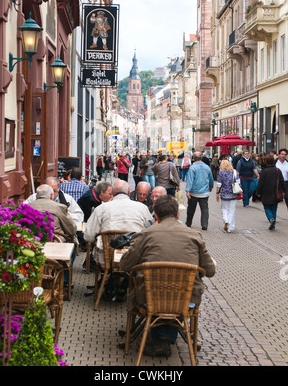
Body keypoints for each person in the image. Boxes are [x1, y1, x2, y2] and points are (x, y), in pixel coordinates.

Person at [119, 195, 216, 357]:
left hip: (149, 298)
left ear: (155, 215)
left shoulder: (145, 234)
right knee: (177, 294)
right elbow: (210, 271)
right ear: (177, 215)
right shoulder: (194, 235)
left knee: (153, 292)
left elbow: (125, 265)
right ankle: (165, 337)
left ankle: (155, 337)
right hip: (186, 299)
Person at [83, 179, 153, 267]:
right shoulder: (143, 208)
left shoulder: (101, 209)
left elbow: (88, 237)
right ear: (128, 191)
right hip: (134, 258)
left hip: (107, 258)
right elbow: (151, 231)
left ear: (112, 192)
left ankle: (109, 278)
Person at [185, 151, 214, 230]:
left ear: (193, 159)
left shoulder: (192, 167)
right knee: (204, 209)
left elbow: (190, 180)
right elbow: (211, 178)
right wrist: (211, 186)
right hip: (204, 192)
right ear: (201, 158)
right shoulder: (207, 167)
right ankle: (204, 224)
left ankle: (189, 222)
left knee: (191, 208)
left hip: (194, 192)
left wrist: (187, 191)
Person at [257, 154, 286, 230]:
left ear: (266, 161)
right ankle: (273, 221)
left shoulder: (264, 171)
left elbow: (261, 183)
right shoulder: (277, 170)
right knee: (274, 207)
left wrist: (258, 192)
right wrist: (284, 190)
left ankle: (271, 219)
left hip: (266, 192)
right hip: (275, 192)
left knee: (267, 207)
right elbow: (282, 181)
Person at [216, 159, 239, 232]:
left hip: (224, 193)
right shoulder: (235, 172)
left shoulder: (221, 173)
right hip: (233, 193)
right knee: (232, 210)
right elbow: (238, 182)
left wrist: (217, 193)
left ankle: (225, 219)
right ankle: (230, 227)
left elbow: (219, 184)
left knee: (224, 208)